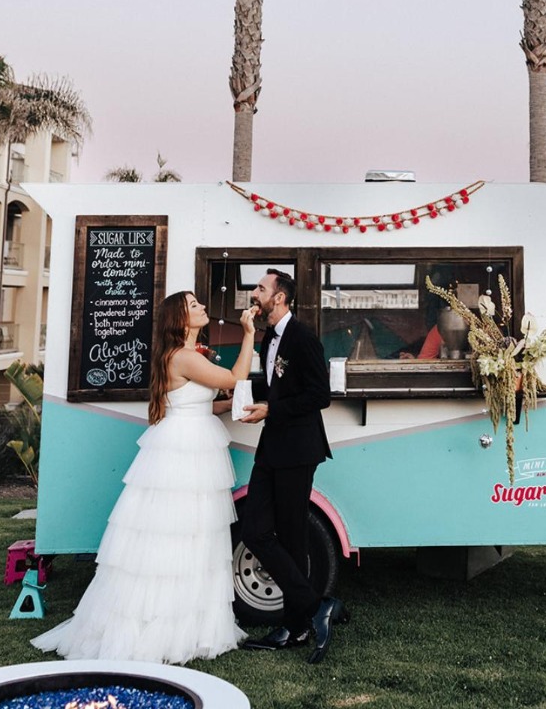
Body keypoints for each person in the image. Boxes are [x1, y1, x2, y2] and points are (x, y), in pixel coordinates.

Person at [32, 290, 257, 664]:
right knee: (180, 536)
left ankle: (186, 623)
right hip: (185, 454)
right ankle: (162, 626)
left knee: (190, 535)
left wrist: (235, 408)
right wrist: (249, 333)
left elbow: (202, 402)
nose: (202, 307)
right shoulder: (184, 357)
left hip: (188, 444)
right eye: (194, 305)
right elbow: (236, 376)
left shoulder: (184, 357)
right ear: (181, 320)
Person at [238, 269, 349, 663]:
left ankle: (295, 625)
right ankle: (316, 607)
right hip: (272, 448)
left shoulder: (302, 338)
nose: (255, 294)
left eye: (261, 289)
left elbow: (320, 395)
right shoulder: (269, 337)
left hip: (299, 450)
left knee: (293, 538)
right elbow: (273, 388)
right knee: (254, 530)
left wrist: (273, 408)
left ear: (280, 297)